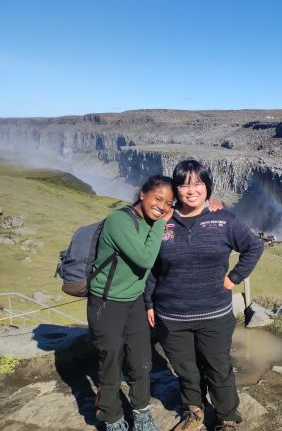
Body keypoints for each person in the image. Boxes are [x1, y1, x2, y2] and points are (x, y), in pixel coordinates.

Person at [144, 160, 264, 431]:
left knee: (218, 367)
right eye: (184, 184)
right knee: (185, 369)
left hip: (215, 315)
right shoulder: (161, 221)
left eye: (198, 183)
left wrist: (233, 278)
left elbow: (254, 247)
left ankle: (227, 418)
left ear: (207, 186)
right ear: (176, 189)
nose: (191, 190)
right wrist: (148, 303)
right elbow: (150, 267)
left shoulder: (223, 219)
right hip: (172, 316)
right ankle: (194, 410)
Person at [87, 175, 174, 431]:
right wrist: (162, 224)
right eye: (158, 198)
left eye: (168, 203)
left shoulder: (152, 219)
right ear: (142, 194)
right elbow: (145, 259)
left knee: (141, 360)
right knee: (111, 362)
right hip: (107, 302)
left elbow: (190, 212)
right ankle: (112, 417)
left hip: (134, 301)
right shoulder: (118, 220)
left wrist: (212, 204)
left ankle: (141, 411)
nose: (162, 206)